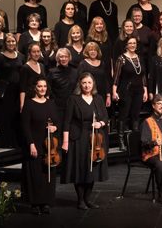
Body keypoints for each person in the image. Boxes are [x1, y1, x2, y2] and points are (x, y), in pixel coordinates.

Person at [61, 72, 109, 210]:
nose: (87, 85)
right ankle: (80, 200)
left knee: (92, 169)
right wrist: (65, 142)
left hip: (95, 138)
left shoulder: (98, 99)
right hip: (78, 138)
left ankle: (87, 199)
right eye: (84, 83)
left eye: (89, 82)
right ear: (80, 84)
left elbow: (105, 118)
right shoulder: (73, 99)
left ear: (93, 84)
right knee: (80, 169)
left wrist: (101, 123)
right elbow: (67, 121)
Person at [21, 77, 59, 215]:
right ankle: (35, 203)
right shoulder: (29, 104)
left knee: (47, 175)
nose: (42, 89)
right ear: (35, 88)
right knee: (35, 175)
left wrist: (55, 128)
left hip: (49, 146)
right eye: (40, 86)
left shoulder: (51, 104)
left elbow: (57, 122)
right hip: (35, 145)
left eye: (44, 86)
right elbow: (25, 127)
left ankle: (46, 202)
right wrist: (31, 144)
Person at [0, 33, 25, 147]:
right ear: (5, 43)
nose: (11, 43)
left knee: (16, 116)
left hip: (17, 91)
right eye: (9, 41)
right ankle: (5, 142)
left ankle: (15, 142)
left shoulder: (20, 56)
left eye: (13, 41)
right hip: (4, 90)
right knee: (4, 117)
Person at [113, 37, 147, 146]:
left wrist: (145, 91)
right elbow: (116, 77)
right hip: (126, 91)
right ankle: (121, 141)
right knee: (123, 115)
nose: (132, 45)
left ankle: (134, 141)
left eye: (134, 43)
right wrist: (114, 91)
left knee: (135, 116)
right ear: (126, 45)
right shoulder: (121, 58)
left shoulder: (140, 58)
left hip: (138, 91)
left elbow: (143, 76)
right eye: (130, 43)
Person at [77, 42, 112, 118]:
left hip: (101, 94)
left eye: (95, 50)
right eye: (90, 50)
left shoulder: (102, 63)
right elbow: (79, 80)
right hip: (88, 93)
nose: (93, 52)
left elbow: (105, 80)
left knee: (102, 116)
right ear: (87, 51)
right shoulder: (83, 63)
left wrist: (108, 95)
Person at [47, 48, 77, 124]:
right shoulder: (52, 72)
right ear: (58, 58)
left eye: (66, 56)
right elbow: (48, 89)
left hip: (71, 105)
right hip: (57, 105)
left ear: (69, 57)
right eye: (61, 57)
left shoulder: (75, 72)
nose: (64, 59)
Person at [19, 43, 46, 113]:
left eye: (38, 51)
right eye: (34, 52)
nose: (36, 54)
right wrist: (22, 105)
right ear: (30, 53)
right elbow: (22, 88)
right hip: (30, 100)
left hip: (41, 100)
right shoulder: (25, 68)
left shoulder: (42, 65)